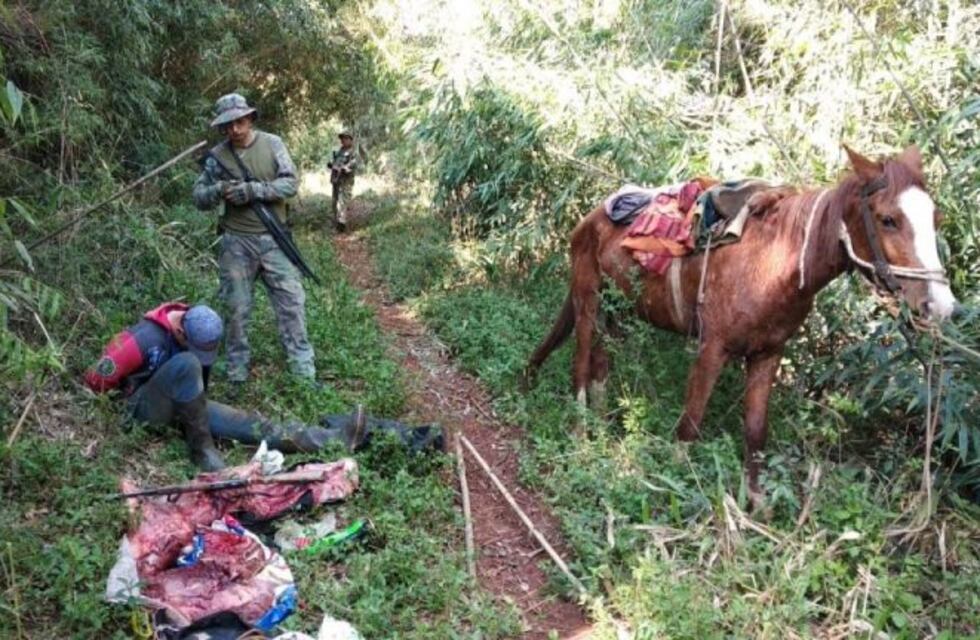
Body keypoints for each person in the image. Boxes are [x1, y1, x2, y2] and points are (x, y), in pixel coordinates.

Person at [84, 301, 371, 470]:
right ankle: (202, 451)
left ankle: (333, 438)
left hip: (182, 404)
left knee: (251, 424)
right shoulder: (141, 339)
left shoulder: (197, 326)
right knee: (187, 364)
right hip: (142, 409)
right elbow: (95, 379)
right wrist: (117, 412)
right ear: (181, 331)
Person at [192, 93, 316, 389]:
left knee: (292, 304)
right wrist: (219, 189)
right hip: (236, 243)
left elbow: (290, 183)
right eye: (228, 125)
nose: (235, 129)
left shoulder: (272, 144)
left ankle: (303, 374)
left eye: (240, 121)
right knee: (236, 310)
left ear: (250, 118)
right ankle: (236, 372)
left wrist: (254, 191)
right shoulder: (217, 157)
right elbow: (198, 197)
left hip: (275, 240)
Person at [328, 131, 358, 232]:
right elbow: (335, 163)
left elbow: (352, 165)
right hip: (336, 180)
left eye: (345, 138)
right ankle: (337, 221)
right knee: (335, 202)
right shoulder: (340, 151)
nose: (342, 140)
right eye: (341, 139)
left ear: (350, 140)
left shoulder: (353, 152)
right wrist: (332, 165)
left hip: (346, 181)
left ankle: (341, 224)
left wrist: (345, 168)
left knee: (342, 202)